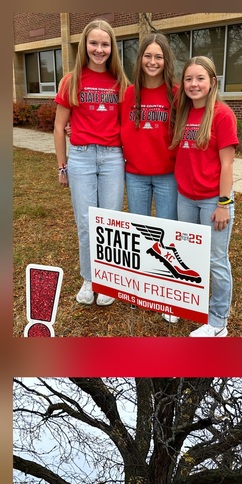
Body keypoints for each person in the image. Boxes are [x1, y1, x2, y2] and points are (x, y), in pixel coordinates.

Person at [54, 19, 128, 306]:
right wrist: (62, 166)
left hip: (112, 158)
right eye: (94, 43)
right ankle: (89, 277)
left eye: (105, 44)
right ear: (84, 45)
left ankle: (107, 280)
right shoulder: (71, 81)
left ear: (112, 48)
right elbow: (59, 127)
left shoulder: (120, 82)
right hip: (81, 158)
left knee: (110, 222)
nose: (99, 49)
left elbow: (127, 125)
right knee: (86, 222)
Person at [171, 56, 238, 338]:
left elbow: (227, 164)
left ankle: (218, 321)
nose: (194, 84)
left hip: (213, 199)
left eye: (200, 78)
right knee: (187, 255)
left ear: (212, 82)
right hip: (186, 197)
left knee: (216, 260)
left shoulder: (222, 115)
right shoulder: (183, 112)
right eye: (189, 79)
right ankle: (189, 304)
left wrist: (224, 204)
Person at [120, 32, 181, 326]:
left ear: (166, 60)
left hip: (168, 175)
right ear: (140, 59)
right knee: (141, 234)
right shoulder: (129, 94)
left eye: (158, 56)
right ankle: (142, 287)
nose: (153, 61)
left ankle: (168, 293)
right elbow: (116, 127)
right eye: (148, 56)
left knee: (166, 234)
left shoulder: (177, 93)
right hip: (136, 175)